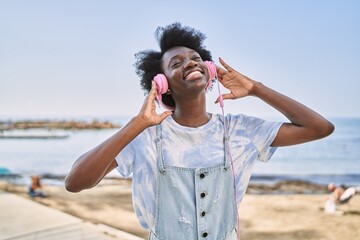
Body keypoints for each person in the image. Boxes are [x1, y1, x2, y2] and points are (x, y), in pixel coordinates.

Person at [65, 22, 334, 240]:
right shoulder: (145, 136)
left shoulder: (240, 130)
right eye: (176, 63)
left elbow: (319, 128)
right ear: (161, 84)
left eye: (196, 59)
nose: (190, 63)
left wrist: (256, 89)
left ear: (210, 72)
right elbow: (75, 182)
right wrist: (137, 123)